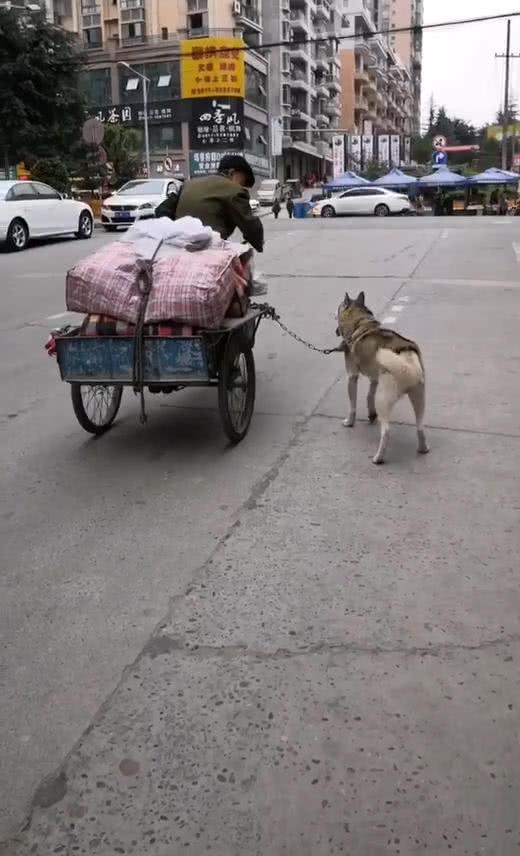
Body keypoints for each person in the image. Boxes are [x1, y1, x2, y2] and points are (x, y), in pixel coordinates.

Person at [155, 154, 264, 252]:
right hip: (210, 252)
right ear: (231, 173)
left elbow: (161, 210)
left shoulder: (188, 184)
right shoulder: (235, 190)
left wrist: (174, 234)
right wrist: (258, 243)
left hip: (178, 249)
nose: (241, 186)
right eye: (242, 182)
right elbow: (251, 226)